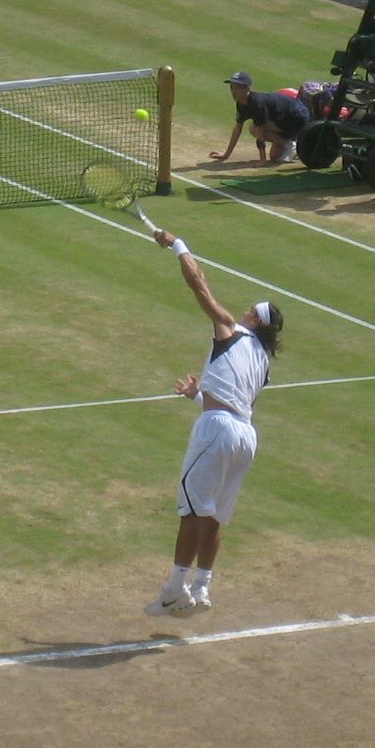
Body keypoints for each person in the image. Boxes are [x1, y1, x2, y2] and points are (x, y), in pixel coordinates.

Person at [141, 224, 283, 618]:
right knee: (214, 514)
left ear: (255, 322)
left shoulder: (232, 331)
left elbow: (198, 284)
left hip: (218, 431)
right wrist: (197, 396)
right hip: (244, 439)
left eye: (250, 311)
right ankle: (201, 588)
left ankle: (174, 590)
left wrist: (176, 245)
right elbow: (233, 400)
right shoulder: (262, 361)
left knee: (191, 511)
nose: (243, 311)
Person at [212, 72, 309, 165]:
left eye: (237, 88)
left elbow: (260, 133)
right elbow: (237, 129)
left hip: (297, 117)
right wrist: (226, 154)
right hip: (281, 119)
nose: (233, 92)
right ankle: (295, 147)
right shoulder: (241, 104)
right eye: (232, 88)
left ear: (246, 89)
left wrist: (262, 161)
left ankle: (291, 145)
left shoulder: (257, 103)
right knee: (274, 157)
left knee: (254, 128)